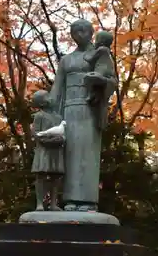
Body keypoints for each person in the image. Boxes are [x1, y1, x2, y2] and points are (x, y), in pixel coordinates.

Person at [49, 19, 116, 211]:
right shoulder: (66, 60)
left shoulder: (98, 54)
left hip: (89, 109)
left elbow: (111, 80)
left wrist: (100, 82)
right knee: (69, 155)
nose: (79, 34)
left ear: (90, 32)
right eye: (75, 31)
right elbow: (57, 88)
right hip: (68, 110)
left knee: (88, 154)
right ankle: (70, 200)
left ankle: (87, 201)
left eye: (83, 30)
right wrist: (49, 108)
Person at [31, 90, 65, 211]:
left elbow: (64, 133)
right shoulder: (39, 116)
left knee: (55, 176)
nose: (50, 98)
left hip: (56, 150)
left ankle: (53, 203)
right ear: (41, 103)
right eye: (46, 96)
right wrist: (46, 140)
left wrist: (60, 140)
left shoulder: (58, 117)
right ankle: (39, 203)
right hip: (43, 151)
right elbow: (35, 133)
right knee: (41, 176)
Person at [84, 30, 114, 106]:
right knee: (96, 83)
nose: (95, 42)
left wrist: (86, 56)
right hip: (107, 69)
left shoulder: (101, 49)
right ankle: (94, 95)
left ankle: (90, 94)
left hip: (101, 69)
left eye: (96, 40)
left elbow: (91, 59)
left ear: (101, 42)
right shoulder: (107, 51)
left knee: (91, 79)